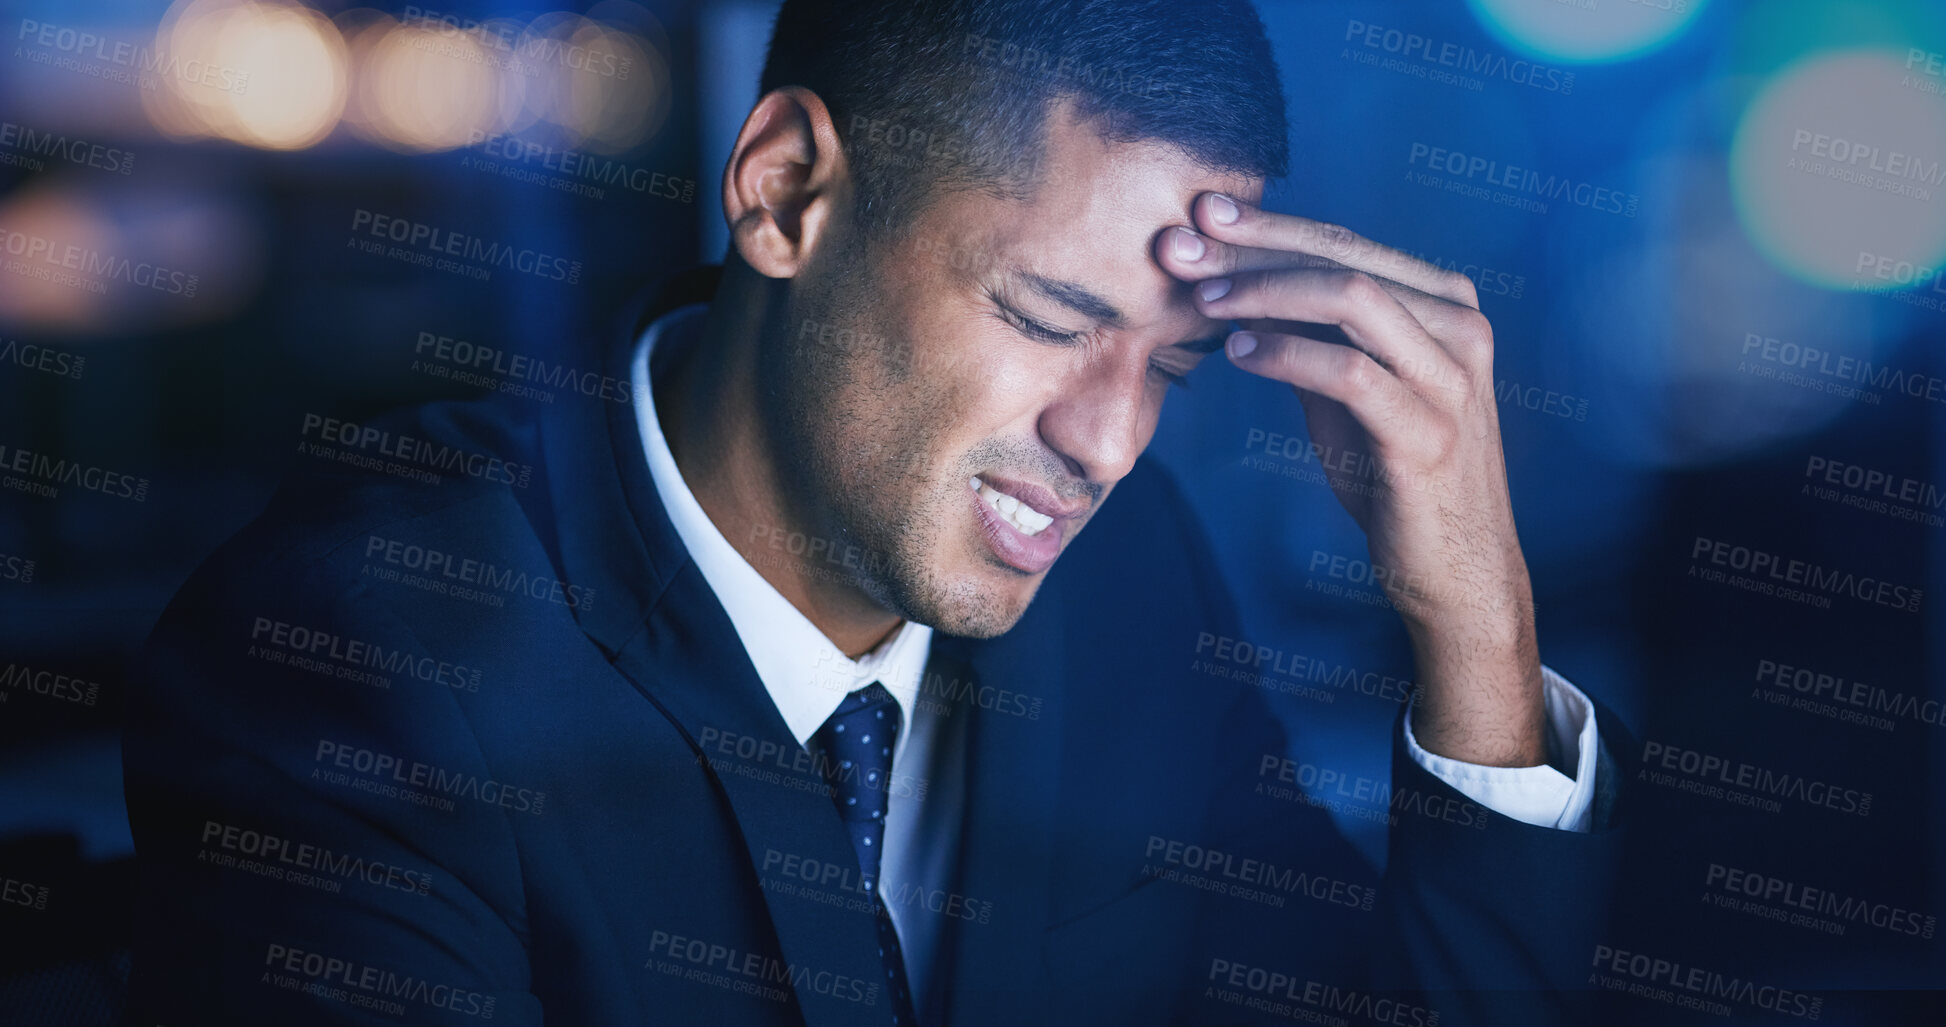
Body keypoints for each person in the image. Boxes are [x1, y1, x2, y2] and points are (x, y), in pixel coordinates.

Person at [123, 1, 1628, 1023]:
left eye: (1167, 362)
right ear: (783, 192)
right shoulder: (361, 654)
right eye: (1046, 313)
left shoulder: (1132, 582)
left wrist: (1473, 621)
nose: (1108, 442)